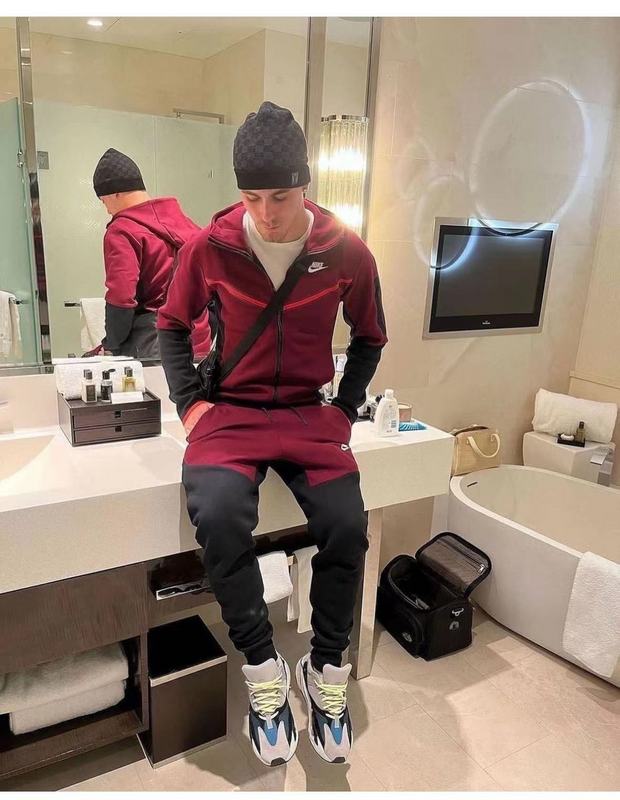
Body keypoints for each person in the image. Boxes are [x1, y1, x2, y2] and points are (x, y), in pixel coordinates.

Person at [157, 101, 387, 767]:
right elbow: (171, 325)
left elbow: (371, 335)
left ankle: (327, 670)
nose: (266, 213)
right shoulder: (210, 247)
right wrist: (190, 406)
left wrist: (346, 408)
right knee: (219, 516)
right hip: (230, 414)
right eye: (252, 197)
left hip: (309, 415)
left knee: (346, 527)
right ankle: (264, 669)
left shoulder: (345, 251)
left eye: (280, 197)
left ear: (303, 185)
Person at [91, 148, 208, 360]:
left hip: (154, 345)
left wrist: (111, 345)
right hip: (199, 340)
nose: (106, 209)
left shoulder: (122, 230)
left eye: (103, 200)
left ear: (116, 193)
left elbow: (121, 297)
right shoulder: (188, 225)